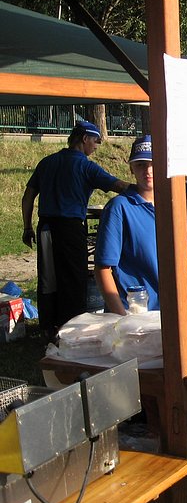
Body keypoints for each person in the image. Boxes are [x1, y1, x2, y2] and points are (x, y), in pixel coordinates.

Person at [21, 121, 131, 340]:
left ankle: (47, 327)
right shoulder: (86, 166)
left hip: (45, 227)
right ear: (84, 139)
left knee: (48, 278)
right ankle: (71, 329)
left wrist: (27, 227)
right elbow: (118, 186)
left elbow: (28, 196)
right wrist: (146, 190)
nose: (96, 146)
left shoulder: (47, 162)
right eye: (95, 141)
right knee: (73, 279)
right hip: (70, 229)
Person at [94, 136, 161, 315]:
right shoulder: (119, 208)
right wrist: (122, 318)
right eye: (141, 165)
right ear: (131, 168)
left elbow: (184, 264)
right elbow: (103, 269)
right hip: (133, 314)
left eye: (154, 163)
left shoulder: (172, 207)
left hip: (165, 312)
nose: (148, 170)